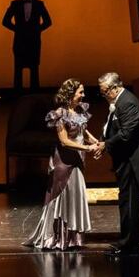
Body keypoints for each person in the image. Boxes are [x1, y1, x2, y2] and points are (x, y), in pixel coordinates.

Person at [24, 78, 99, 250]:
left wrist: (96, 142)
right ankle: (57, 237)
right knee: (63, 196)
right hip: (64, 161)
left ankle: (73, 238)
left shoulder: (79, 110)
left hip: (77, 159)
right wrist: (87, 148)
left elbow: (83, 131)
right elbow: (64, 141)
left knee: (75, 196)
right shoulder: (60, 114)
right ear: (70, 94)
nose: (83, 95)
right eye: (80, 92)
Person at [94, 72, 139, 256]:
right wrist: (103, 141)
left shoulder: (128, 102)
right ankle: (128, 241)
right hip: (125, 159)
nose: (103, 95)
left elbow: (126, 134)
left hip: (132, 159)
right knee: (126, 201)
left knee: (130, 202)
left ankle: (129, 245)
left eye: (104, 92)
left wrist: (106, 144)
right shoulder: (118, 101)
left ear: (115, 87)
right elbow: (112, 126)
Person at [1, 0, 52, 92]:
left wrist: (37, 30)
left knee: (34, 70)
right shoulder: (15, 4)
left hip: (33, 41)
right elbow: (5, 21)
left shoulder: (39, 4)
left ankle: (34, 94)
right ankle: (18, 94)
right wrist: (17, 29)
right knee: (18, 69)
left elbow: (48, 21)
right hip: (20, 41)